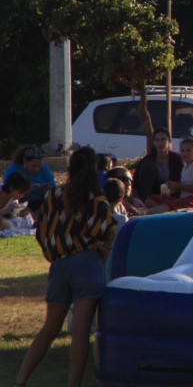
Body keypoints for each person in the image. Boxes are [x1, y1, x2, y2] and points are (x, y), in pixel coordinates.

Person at [15, 146, 117, 387]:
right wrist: (105, 250)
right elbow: (109, 228)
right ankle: (74, 384)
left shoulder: (53, 195)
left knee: (49, 329)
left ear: (70, 169)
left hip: (60, 265)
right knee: (80, 334)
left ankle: (20, 380)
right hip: (87, 264)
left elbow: (42, 231)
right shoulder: (98, 201)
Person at [142, 137, 193, 214]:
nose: (185, 153)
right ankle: (160, 212)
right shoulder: (185, 167)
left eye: (188, 150)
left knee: (168, 204)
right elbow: (183, 187)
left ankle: (144, 213)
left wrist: (178, 186)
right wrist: (172, 188)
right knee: (151, 199)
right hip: (184, 198)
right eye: (182, 150)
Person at [133, 127, 183, 202]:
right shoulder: (147, 159)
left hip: (172, 196)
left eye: (163, 139)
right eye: (157, 140)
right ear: (153, 142)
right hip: (150, 196)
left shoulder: (176, 158)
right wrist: (138, 200)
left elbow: (183, 180)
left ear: (169, 141)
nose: (160, 143)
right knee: (148, 165)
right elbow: (135, 185)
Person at [4, 145, 57, 212]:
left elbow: (53, 187)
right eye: (33, 166)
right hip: (20, 203)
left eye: (39, 165)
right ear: (25, 161)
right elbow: (8, 191)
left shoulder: (44, 169)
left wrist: (47, 188)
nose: (37, 169)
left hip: (43, 202)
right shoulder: (14, 170)